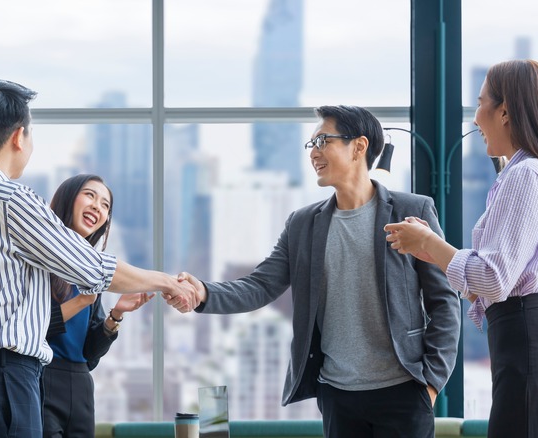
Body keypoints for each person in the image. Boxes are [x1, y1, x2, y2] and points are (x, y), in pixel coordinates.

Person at [0, 79, 196, 438]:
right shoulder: (12, 200)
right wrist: (168, 281)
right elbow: (93, 268)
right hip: (7, 382)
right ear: (19, 136)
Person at [174, 105, 461, 438]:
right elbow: (261, 285)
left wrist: (430, 383)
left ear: (359, 146)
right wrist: (203, 293)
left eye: (323, 140)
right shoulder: (303, 223)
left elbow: (445, 300)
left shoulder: (412, 210)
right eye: (311, 144)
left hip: (403, 392)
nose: (314, 152)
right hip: (338, 396)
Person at [385, 60, 538, 437]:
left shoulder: (526, 174)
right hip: (532, 357)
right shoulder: (530, 171)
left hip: (531, 359)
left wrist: (432, 244)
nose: (476, 118)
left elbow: (493, 279)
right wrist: (432, 251)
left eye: (481, 104)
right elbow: (493, 279)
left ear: (505, 111)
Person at [43, 174, 152, 437]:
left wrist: (115, 315)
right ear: (68, 199)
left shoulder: (92, 272)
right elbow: (33, 326)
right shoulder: (40, 261)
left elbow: (90, 355)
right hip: (41, 379)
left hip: (80, 384)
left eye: (105, 205)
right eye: (90, 195)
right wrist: (81, 301)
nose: (98, 207)